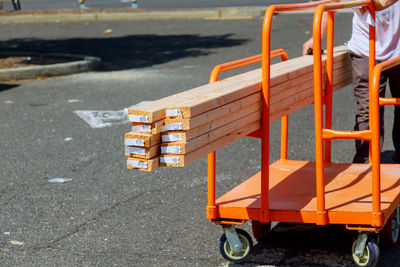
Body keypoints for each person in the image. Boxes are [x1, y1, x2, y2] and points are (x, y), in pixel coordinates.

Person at [302, 0, 400, 163]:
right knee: (368, 110)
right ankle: (365, 161)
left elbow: (379, 4)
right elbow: (332, 3)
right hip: (365, 49)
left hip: (398, 48)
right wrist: (316, 38)